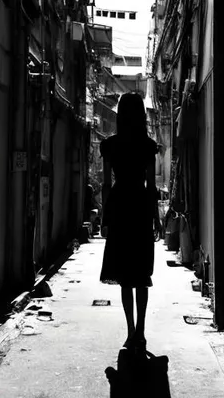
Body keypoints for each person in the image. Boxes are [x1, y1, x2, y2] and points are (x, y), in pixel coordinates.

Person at [100, 92, 161, 355]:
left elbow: (105, 184)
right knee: (141, 275)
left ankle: (129, 331)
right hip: (140, 209)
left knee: (125, 275)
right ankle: (142, 331)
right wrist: (156, 217)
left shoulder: (110, 145)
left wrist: (104, 218)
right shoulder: (148, 146)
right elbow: (151, 185)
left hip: (119, 208)